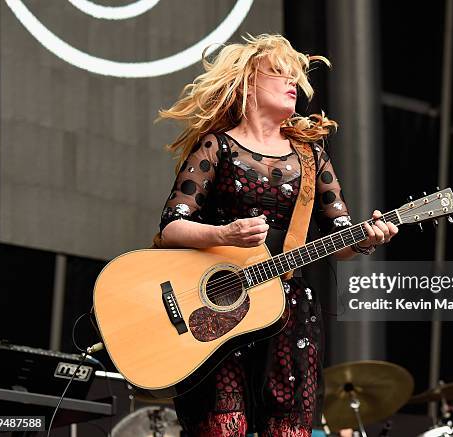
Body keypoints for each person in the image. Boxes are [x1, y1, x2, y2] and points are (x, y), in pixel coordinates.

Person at [154, 34, 398, 437]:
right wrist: (226, 233)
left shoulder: (310, 155)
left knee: (287, 428)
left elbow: (341, 238)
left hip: (287, 312)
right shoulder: (217, 146)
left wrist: (369, 237)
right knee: (222, 425)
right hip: (215, 309)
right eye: (281, 73)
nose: (293, 84)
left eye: (296, 77)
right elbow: (171, 227)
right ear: (249, 82)